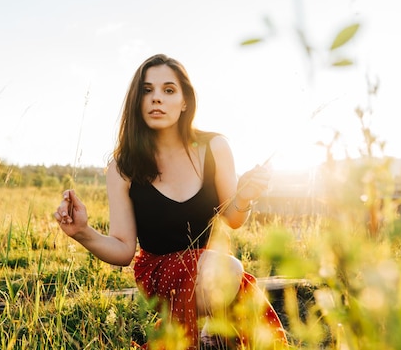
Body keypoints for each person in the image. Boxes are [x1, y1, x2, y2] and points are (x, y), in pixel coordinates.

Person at [54, 54, 287, 349]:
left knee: (229, 276)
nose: (156, 100)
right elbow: (124, 250)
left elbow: (234, 218)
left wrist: (245, 196)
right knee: (228, 270)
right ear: (137, 101)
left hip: (216, 268)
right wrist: (83, 232)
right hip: (160, 272)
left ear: (185, 100)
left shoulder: (215, 147)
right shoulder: (123, 167)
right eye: (147, 90)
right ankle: (206, 335)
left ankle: (205, 337)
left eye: (168, 90)